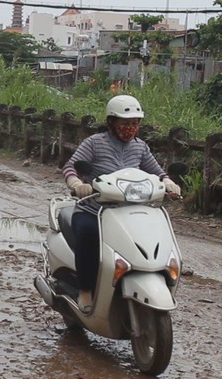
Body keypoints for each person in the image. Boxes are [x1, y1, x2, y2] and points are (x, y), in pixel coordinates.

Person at [62, 94, 181, 312]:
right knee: (88, 234)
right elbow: (70, 167)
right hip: (94, 209)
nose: (130, 128)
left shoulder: (140, 147)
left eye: (134, 124)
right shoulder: (94, 143)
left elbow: (157, 172)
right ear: (111, 122)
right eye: (125, 123)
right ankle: (85, 290)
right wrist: (77, 183)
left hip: (131, 211)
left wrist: (168, 182)